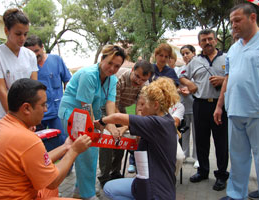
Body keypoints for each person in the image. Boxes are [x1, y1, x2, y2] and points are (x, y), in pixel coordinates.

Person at [0, 78, 91, 199]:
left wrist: (66, 147)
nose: (46, 109)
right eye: (43, 105)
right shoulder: (26, 138)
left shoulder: (0, 126)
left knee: (48, 190)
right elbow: (53, 182)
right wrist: (74, 151)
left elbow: (40, 163)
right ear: (26, 108)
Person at [213, 3, 259, 200]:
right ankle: (235, 194)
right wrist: (219, 106)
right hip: (235, 110)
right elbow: (228, 78)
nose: (234, 25)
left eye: (237, 20)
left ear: (253, 18)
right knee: (238, 159)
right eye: (232, 22)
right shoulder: (233, 48)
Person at [58, 44, 126, 200]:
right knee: (87, 150)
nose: (112, 68)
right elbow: (85, 106)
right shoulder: (89, 74)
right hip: (73, 113)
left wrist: (112, 124)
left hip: (88, 114)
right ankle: (86, 193)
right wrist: (99, 125)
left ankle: (80, 189)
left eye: (117, 66)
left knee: (89, 150)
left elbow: (110, 103)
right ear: (102, 59)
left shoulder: (112, 79)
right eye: (110, 63)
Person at [97, 77, 179, 200]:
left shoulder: (156, 123)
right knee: (109, 187)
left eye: (143, 104)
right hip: (155, 184)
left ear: (155, 105)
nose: (139, 109)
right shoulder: (166, 120)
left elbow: (119, 117)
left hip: (155, 191)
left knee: (111, 191)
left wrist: (101, 121)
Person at [179, 29, 229, 191]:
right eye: (203, 40)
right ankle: (203, 171)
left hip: (220, 106)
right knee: (201, 140)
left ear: (215, 40)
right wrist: (189, 83)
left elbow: (236, 76)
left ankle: (221, 175)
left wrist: (223, 80)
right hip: (200, 105)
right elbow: (182, 76)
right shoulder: (195, 61)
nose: (207, 42)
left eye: (210, 39)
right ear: (199, 43)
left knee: (221, 142)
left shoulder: (227, 58)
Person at [98, 59, 154, 187]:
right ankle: (104, 177)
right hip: (107, 108)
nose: (138, 82)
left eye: (143, 80)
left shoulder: (144, 85)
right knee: (107, 140)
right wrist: (124, 125)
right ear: (133, 69)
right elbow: (113, 105)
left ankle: (115, 173)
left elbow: (139, 108)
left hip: (121, 111)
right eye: (137, 76)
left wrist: (137, 126)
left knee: (121, 140)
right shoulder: (119, 79)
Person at [0, 8, 38, 122]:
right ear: (6, 31)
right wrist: (16, 119)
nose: (22, 38)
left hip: (27, 117)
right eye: (18, 34)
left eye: (25, 34)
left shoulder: (30, 55)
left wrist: (31, 118)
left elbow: (33, 89)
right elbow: (1, 90)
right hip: (4, 117)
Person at [24, 35, 71, 151]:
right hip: (38, 114)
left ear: (42, 47)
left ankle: (67, 167)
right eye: (31, 52)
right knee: (38, 144)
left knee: (64, 141)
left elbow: (68, 81)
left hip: (57, 112)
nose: (35, 55)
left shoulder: (56, 60)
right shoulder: (27, 65)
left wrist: (67, 101)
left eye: (36, 51)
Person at [175, 44, 199, 168]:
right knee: (184, 132)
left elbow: (199, 85)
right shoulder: (180, 70)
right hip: (183, 106)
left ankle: (197, 157)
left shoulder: (199, 67)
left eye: (187, 53)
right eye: (183, 54)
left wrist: (191, 90)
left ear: (194, 53)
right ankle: (184, 154)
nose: (185, 56)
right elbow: (176, 85)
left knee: (197, 133)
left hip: (196, 105)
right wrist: (180, 90)